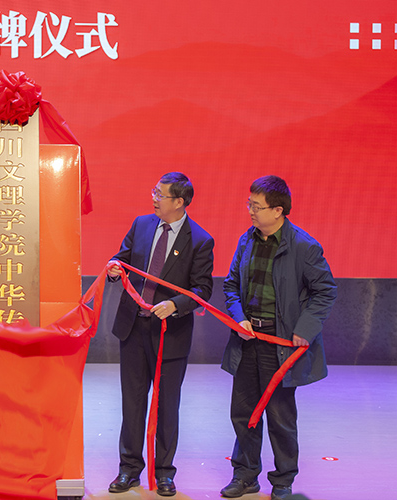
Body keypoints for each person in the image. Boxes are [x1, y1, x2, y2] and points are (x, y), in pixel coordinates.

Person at [220, 175, 336, 500]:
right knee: (243, 412)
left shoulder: (303, 246)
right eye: (249, 204)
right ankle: (245, 476)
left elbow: (325, 291)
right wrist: (239, 318)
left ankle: (283, 481)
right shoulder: (247, 240)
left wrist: (305, 328)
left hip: (280, 345)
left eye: (257, 206)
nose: (251, 211)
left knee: (280, 417)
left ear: (278, 210)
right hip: (248, 340)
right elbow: (231, 285)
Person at [107, 172, 214, 496]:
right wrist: (114, 267)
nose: (153, 198)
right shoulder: (141, 224)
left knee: (167, 407)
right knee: (132, 403)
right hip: (134, 329)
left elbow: (202, 289)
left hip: (171, 334)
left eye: (160, 194)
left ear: (179, 202)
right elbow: (123, 257)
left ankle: (164, 473)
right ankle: (129, 469)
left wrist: (175, 304)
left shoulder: (200, 240)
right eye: (154, 191)